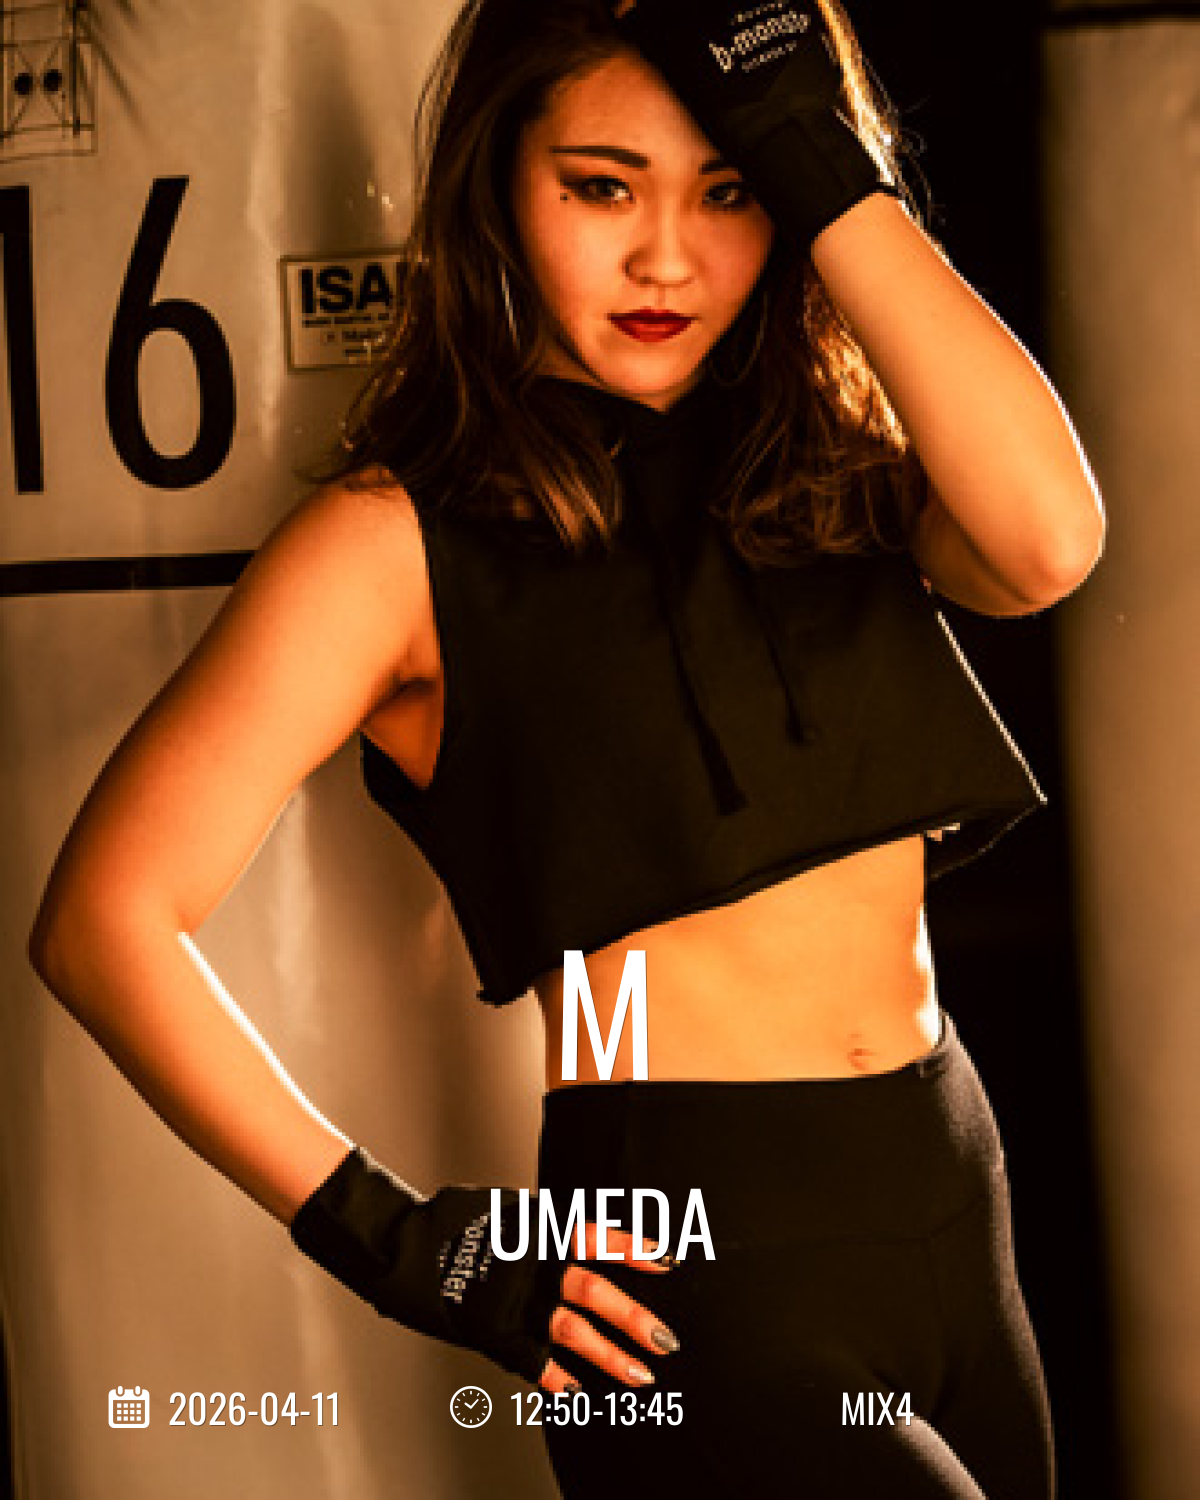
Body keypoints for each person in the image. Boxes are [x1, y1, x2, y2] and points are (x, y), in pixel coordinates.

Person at [29, 0, 1103, 1495]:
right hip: (687, 1291)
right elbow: (103, 922)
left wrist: (814, 149)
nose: (667, 258)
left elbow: (1050, 544)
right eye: (602, 188)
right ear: (498, 187)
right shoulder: (389, 546)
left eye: (731, 191)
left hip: (953, 1208)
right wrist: (409, 1249)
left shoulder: (829, 469)